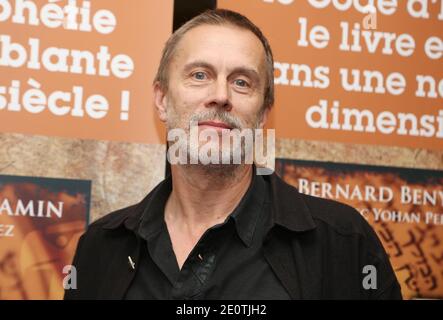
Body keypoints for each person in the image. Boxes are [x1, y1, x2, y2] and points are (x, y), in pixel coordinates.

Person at [64, 9, 402, 300]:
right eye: (199, 75)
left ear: (263, 113)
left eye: (242, 82)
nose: (220, 95)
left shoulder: (342, 245)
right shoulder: (101, 248)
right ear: (162, 99)